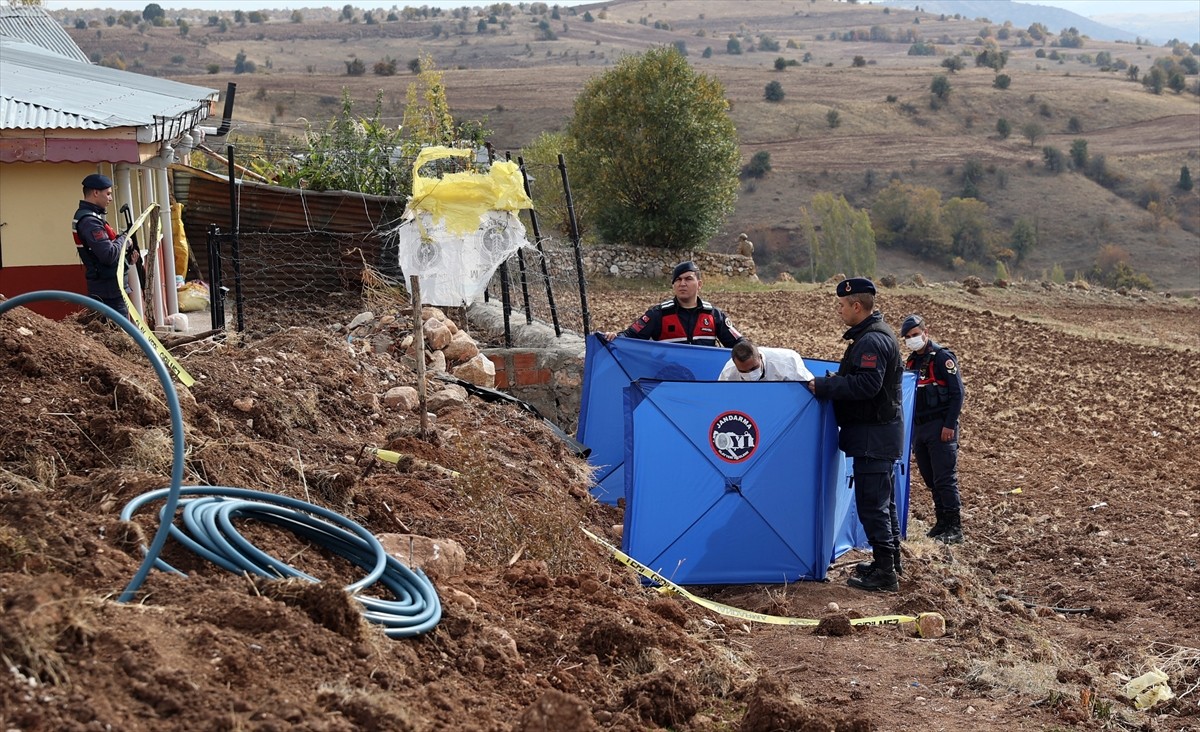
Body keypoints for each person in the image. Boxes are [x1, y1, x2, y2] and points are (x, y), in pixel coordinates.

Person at [807, 277, 904, 592]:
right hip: (876, 434)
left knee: (872, 504)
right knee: (882, 503)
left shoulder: (872, 341)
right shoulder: (871, 336)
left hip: (873, 437)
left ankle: (886, 575)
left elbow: (866, 385)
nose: (839, 310)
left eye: (842, 305)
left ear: (857, 306)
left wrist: (824, 386)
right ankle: (888, 562)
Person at [901, 314, 966, 544]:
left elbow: (958, 392)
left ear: (925, 332)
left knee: (945, 478)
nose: (912, 339)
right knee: (931, 478)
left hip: (940, 427)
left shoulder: (942, 358)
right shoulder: (910, 362)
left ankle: (954, 526)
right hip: (920, 429)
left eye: (915, 334)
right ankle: (941, 522)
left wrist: (949, 424)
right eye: (908, 337)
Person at [603, 261, 745, 347]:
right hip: (668, 382)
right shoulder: (658, 314)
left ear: (699, 284)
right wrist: (613, 337)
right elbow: (630, 336)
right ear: (673, 285)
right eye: (678, 280)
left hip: (705, 384)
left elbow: (739, 343)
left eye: (688, 279)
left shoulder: (714, 315)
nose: (682, 284)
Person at [73, 173, 138, 321]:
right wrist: (125, 240)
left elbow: (104, 253)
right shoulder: (90, 221)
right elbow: (108, 254)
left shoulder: (92, 217)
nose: (110, 198)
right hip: (108, 293)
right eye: (108, 194)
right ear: (96, 193)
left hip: (109, 289)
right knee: (120, 336)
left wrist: (127, 259)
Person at [719, 339, 813, 382]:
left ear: (759, 357)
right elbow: (721, 397)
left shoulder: (787, 362)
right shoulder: (728, 373)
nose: (750, 375)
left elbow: (808, 388)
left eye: (753, 368)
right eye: (743, 371)